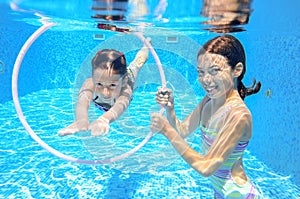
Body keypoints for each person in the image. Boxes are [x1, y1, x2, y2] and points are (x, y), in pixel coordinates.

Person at [150, 35, 262, 198]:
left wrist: (167, 131)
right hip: (221, 192)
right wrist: (170, 109)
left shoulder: (239, 115)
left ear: (237, 70)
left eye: (214, 71)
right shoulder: (209, 100)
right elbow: (183, 131)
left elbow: (206, 166)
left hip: (239, 194)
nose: (206, 80)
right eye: (201, 72)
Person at [59, 37, 151, 136]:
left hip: (128, 76)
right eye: (99, 84)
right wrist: (81, 120)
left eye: (112, 85)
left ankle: (146, 46)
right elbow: (82, 102)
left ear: (122, 82)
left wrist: (104, 119)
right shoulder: (89, 84)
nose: (105, 92)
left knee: (138, 63)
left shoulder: (125, 89)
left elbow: (119, 107)